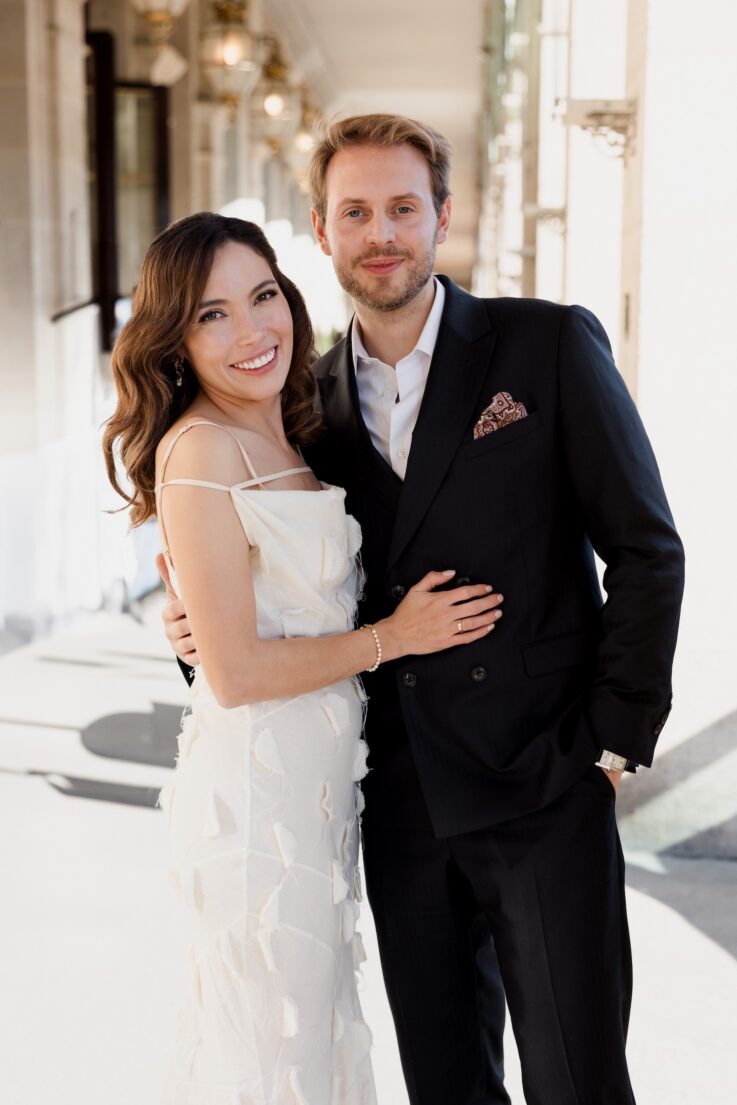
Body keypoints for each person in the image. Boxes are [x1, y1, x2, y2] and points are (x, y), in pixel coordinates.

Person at [162, 115, 685, 1104]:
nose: (381, 233)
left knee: (577, 1082)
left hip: (543, 786)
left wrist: (610, 742)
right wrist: (191, 638)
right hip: (398, 806)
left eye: (403, 207)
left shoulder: (545, 345)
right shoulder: (302, 409)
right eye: (355, 211)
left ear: (441, 216)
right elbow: (275, 593)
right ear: (321, 228)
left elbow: (647, 552)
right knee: (446, 1085)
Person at [102, 211, 503, 1104]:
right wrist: (392, 638)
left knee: (309, 1029)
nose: (250, 332)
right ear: (174, 338)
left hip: (318, 787)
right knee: (269, 1040)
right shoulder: (201, 448)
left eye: (261, 296)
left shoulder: (294, 425)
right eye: (211, 315)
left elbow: (279, 603)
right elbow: (237, 673)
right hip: (258, 797)